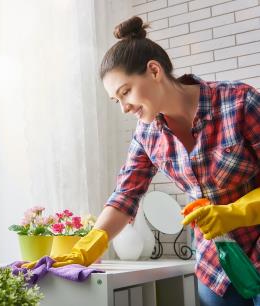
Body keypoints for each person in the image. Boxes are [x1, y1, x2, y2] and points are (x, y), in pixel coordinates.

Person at [23, 16, 260, 306]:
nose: (124, 108)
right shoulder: (147, 134)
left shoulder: (239, 103)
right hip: (216, 267)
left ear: (154, 70)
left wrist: (236, 212)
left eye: (126, 92)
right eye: (117, 100)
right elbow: (126, 195)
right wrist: (86, 248)